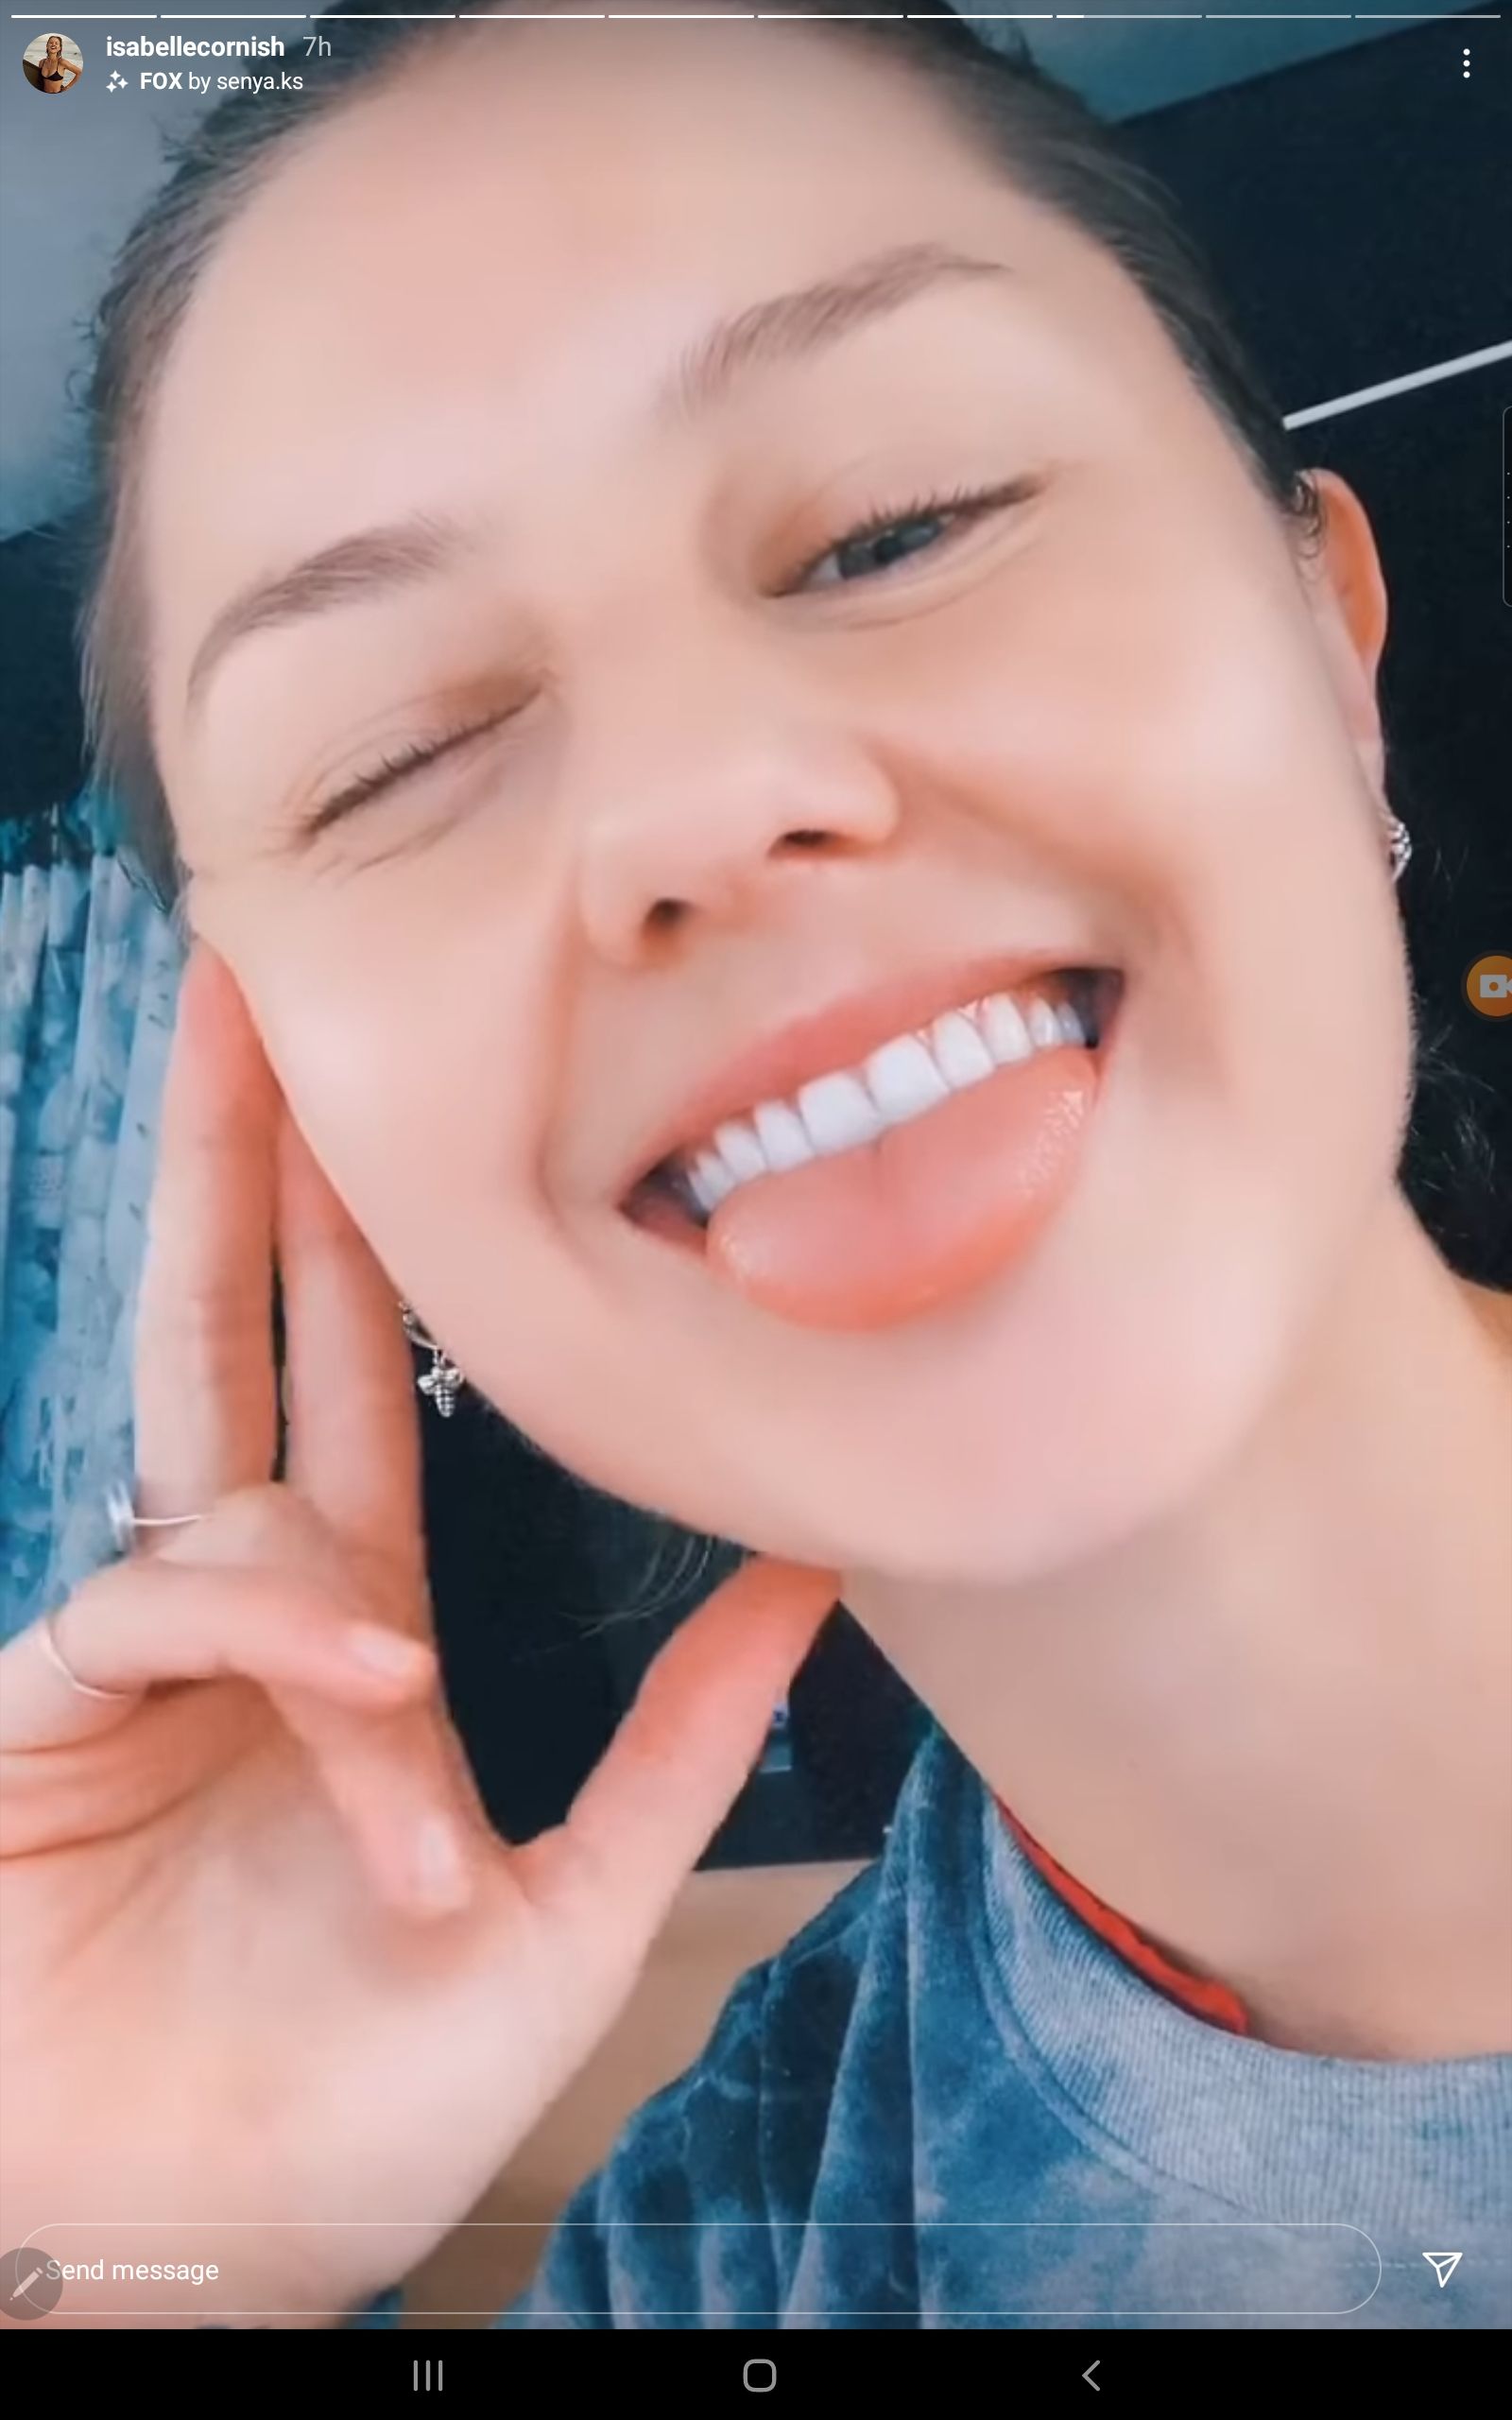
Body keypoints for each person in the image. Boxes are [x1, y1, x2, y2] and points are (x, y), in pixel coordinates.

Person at [2, 1, 1508, 2332]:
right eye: (401, 753)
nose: (696, 799)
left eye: (896, 524)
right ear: (307, 1116)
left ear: (1327, 636)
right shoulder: (725, 2258)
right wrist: (129, 2246)